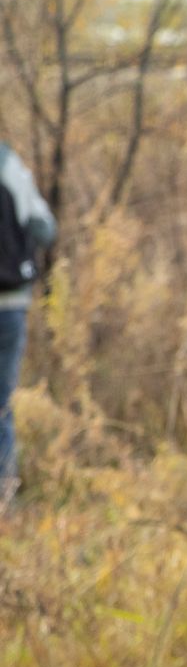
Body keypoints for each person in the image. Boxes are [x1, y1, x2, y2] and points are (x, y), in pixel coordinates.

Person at [0, 142, 56, 502]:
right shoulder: (8, 164)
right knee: (1, 407)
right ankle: (5, 502)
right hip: (10, 304)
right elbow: (44, 229)